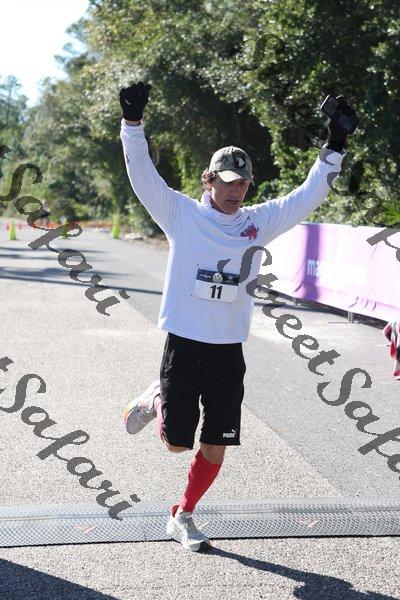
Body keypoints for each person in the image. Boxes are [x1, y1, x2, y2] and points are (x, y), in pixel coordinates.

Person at [119, 81, 357, 552]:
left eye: (242, 183)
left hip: (228, 350)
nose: (235, 190)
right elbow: (143, 175)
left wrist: (335, 145)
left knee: (217, 443)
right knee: (176, 444)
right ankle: (158, 398)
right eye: (226, 182)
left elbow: (307, 196)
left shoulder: (257, 222)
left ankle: (183, 514)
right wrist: (132, 124)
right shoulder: (181, 214)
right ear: (208, 180)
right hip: (185, 344)